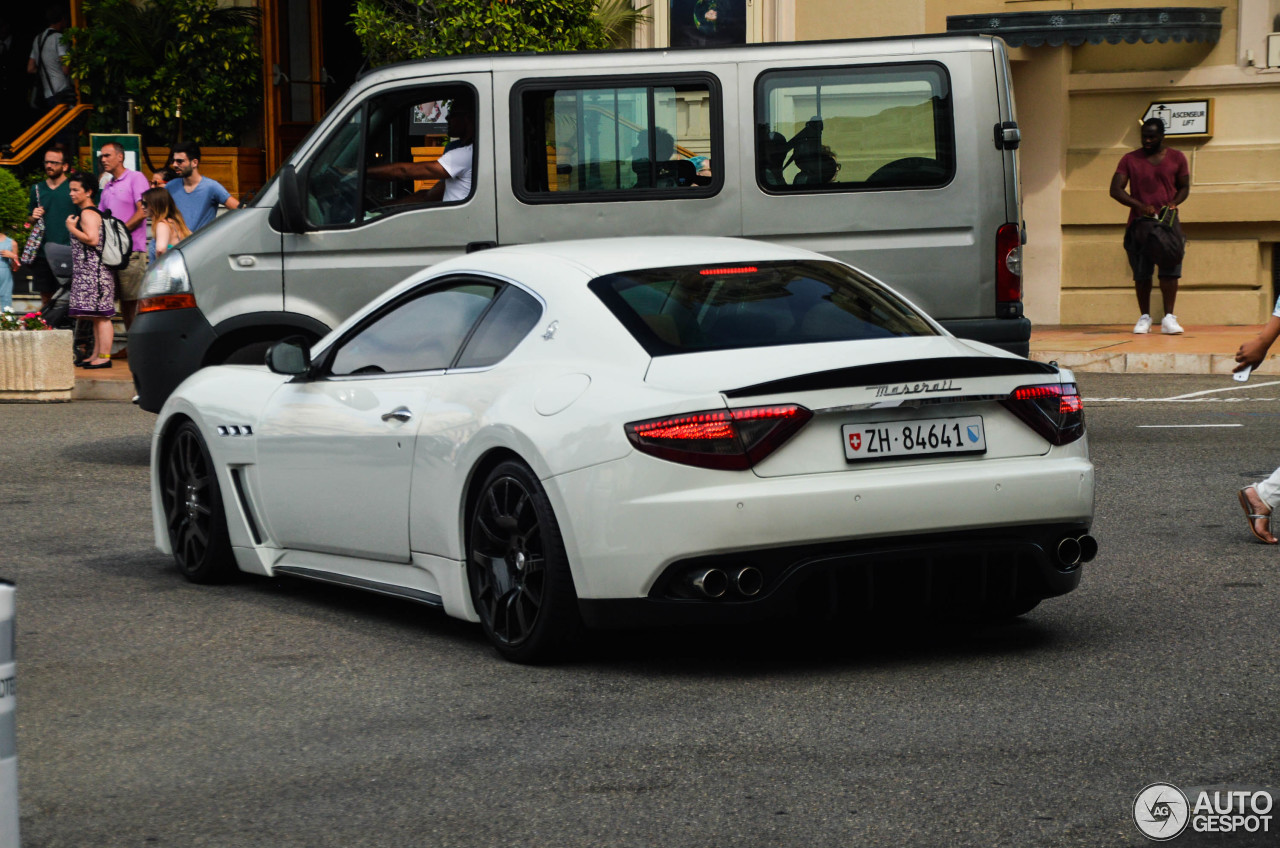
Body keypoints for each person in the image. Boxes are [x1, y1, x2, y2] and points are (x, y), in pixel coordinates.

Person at [1110, 117, 1190, 335]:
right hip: (1139, 225)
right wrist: (1139, 205)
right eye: (1144, 136)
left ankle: (1169, 318)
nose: (1147, 140)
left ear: (1162, 136)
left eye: (1152, 136)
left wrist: (1174, 202)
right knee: (1142, 273)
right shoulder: (1129, 159)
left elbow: (1184, 187)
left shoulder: (1177, 157)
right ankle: (1144, 317)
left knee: (1170, 270)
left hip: (1167, 223)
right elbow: (1116, 189)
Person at [364, 100, 474, 204]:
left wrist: (361, 173)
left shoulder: (466, 155)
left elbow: (403, 171)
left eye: (453, 114)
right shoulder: (463, 150)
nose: (447, 117)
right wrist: (386, 206)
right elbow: (431, 195)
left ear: (468, 118)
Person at [64, 171, 116, 369]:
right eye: (71, 190)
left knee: (102, 317)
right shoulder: (91, 212)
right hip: (93, 272)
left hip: (95, 272)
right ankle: (96, 354)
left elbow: (92, 239)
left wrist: (72, 228)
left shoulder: (88, 214)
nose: (71, 193)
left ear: (89, 192)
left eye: (76, 190)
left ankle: (104, 356)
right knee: (97, 316)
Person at [97, 141, 149, 330]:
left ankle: (137, 348)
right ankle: (131, 347)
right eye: (101, 156)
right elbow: (99, 217)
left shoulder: (136, 178)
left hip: (132, 252)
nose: (103, 159)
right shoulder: (108, 185)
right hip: (111, 254)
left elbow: (143, 211)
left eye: (107, 155)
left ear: (120, 156)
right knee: (118, 304)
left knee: (132, 304)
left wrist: (118, 234)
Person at [25, 143, 73, 309]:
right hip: (43, 253)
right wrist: (33, 217)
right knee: (46, 298)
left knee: (69, 299)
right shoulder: (37, 189)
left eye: (54, 163)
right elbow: (28, 220)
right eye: (47, 162)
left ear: (65, 166)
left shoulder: (73, 188)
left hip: (69, 251)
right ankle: (49, 330)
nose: (49, 166)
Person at [164, 141, 240, 232]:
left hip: (201, 244)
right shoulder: (170, 187)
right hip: (177, 244)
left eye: (179, 161)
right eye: (173, 161)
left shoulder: (211, 187)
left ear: (194, 163)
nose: (175, 165)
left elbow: (240, 210)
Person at [27, 8, 72, 113]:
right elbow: (66, 69)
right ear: (63, 19)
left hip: (47, 93)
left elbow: (30, 68)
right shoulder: (60, 38)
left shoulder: (38, 39)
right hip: (63, 91)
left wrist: (46, 70)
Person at [141, 187, 190, 262]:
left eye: (145, 204)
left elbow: (160, 249)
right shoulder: (174, 222)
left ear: (155, 205)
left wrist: (159, 267)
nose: (142, 207)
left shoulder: (162, 224)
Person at [0, 230, 16, 310]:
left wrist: (13, 257)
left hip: (5, 276)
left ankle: (6, 321)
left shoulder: (12, 243)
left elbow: (15, 267)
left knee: (6, 304)